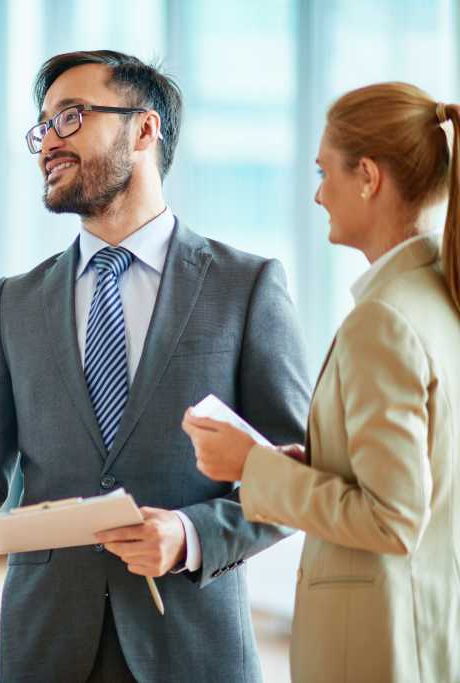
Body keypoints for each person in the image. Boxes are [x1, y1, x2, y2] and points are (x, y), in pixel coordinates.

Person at [0, 50, 310, 682]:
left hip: (190, 644)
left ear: (143, 129)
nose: (47, 141)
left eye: (70, 117)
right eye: (43, 125)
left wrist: (191, 534)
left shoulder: (245, 287)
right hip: (46, 643)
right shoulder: (16, 301)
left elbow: (296, 478)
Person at [184, 82, 460, 683]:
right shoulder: (440, 295)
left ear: (367, 176)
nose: (317, 194)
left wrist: (251, 467)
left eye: (324, 171)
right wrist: (316, 464)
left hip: (377, 642)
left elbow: (392, 518)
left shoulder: (384, 320)